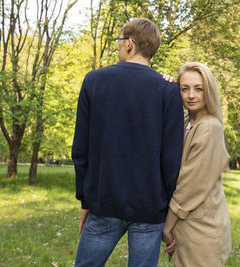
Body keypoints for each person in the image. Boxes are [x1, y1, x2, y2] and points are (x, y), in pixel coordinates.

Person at [71, 18, 184, 267]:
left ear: (130, 44)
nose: (119, 47)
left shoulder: (94, 80)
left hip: (104, 202)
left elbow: (81, 150)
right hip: (149, 207)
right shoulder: (168, 91)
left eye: (120, 41)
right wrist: (163, 204)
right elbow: (171, 159)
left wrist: (85, 200)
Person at [162, 62, 232, 266]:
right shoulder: (186, 120)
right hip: (186, 224)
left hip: (202, 228)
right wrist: (164, 86)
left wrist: (167, 227)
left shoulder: (209, 126)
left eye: (198, 88)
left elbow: (190, 185)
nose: (191, 95)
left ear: (208, 90)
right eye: (184, 89)